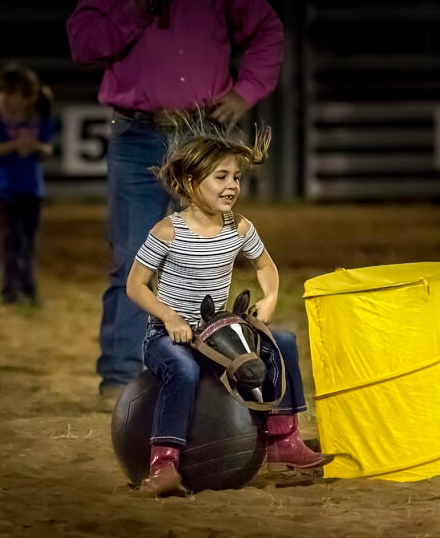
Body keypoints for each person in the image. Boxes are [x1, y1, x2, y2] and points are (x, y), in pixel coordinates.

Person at [67, 0, 285, 401]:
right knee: (132, 255)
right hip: (137, 132)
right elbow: (83, 43)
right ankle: (124, 378)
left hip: (204, 131)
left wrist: (246, 91)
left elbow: (267, 30)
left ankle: (206, 365)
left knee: (210, 252)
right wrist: (135, 9)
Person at [126, 116, 331, 496]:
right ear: (191, 182)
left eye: (236, 178)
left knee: (281, 340)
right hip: (166, 336)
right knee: (183, 370)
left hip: (217, 334)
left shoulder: (239, 228)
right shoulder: (168, 231)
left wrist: (269, 297)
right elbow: (135, 285)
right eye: (221, 177)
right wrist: (169, 316)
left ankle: (283, 439)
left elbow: (265, 266)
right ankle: (164, 463)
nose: (232, 186)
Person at [0, 65, 55, 305]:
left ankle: (27, 288)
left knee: (28, 242)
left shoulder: (38, 121)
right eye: (4, 93)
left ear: (29, 98)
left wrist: (34, 147)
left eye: (14, 94)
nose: (6, 99)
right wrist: (13, 145)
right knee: (12, 240)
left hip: (31, 191)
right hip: (4, 191)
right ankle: (11, 291)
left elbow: (48, 150)